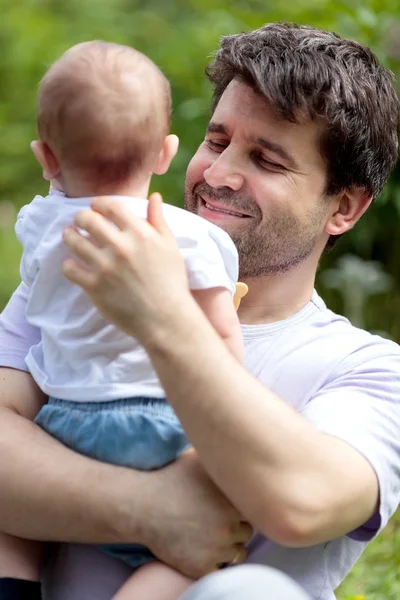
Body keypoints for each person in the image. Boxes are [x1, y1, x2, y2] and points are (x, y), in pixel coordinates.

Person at [0, 21, 399, 600]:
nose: (216, 175)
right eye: (216, 141)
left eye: (266, 160)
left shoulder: (367, 367)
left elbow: (305, 502)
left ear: (344, 207)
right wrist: (145, 510)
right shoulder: (88, 272)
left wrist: (165, 319)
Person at [0, 41, 245, 600]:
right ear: (166, 152)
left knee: (13, 518)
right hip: (162, 425)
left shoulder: (41, 226)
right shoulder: (188, 235)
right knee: (211, 535)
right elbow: (220, 334)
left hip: (64, 425)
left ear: (45, 157)